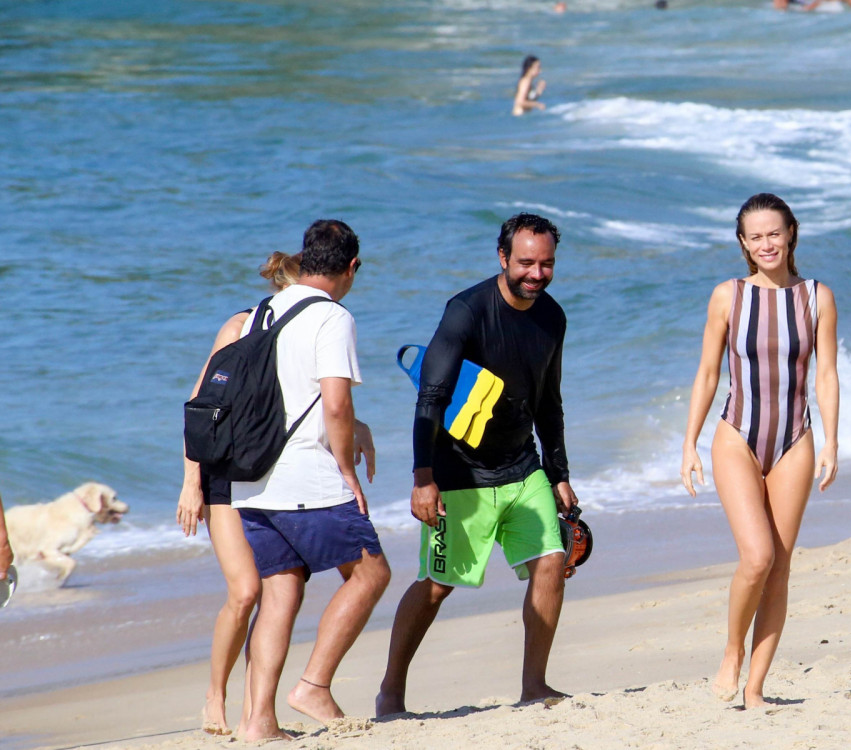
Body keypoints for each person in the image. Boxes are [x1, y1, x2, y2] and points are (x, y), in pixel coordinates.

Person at [376, 213, 577, 715]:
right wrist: (423, 478)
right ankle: (391, 692)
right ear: (503, 257)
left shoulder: (552, 317)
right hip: (459, 472)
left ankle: (535, 686)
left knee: (551, 562)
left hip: (522, 467)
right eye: (526, 262)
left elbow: (549, 402)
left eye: (546, 264)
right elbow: (431, 398)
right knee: (437, 585)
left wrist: (558, 473)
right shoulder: (466, 312)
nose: (536, 274)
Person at [680, 193, 840, 709]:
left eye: (774, 233)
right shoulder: (727, 296)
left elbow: (826, 374)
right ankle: (733, 650)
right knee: (758, 557)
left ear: (791, 233)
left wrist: (832, 440)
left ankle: (755, 689)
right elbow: (708, 373)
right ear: (743, 244)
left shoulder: (818, 297)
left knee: (781, 567)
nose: (766, 243)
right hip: (737, 437)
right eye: (756, 236)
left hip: (795, 439)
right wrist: (689, 443)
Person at [234, 220, 391, 742]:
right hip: (306, 475)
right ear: (351, 267)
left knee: (279, 593)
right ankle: (314, 686)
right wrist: (346, 469)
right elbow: (336, 403)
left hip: (251, 481)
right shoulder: (332, 316)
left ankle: (258, 721)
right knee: (371, 574)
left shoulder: (262, 311)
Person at [177, 251, 298, 736]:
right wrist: (191, 483)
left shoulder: (310, 329)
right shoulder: (239, 327)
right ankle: (215, 694)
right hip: (224, 474)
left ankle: (256, 711)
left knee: (278, 593)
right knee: (246, 591)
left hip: (275, 475)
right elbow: (200, 407)